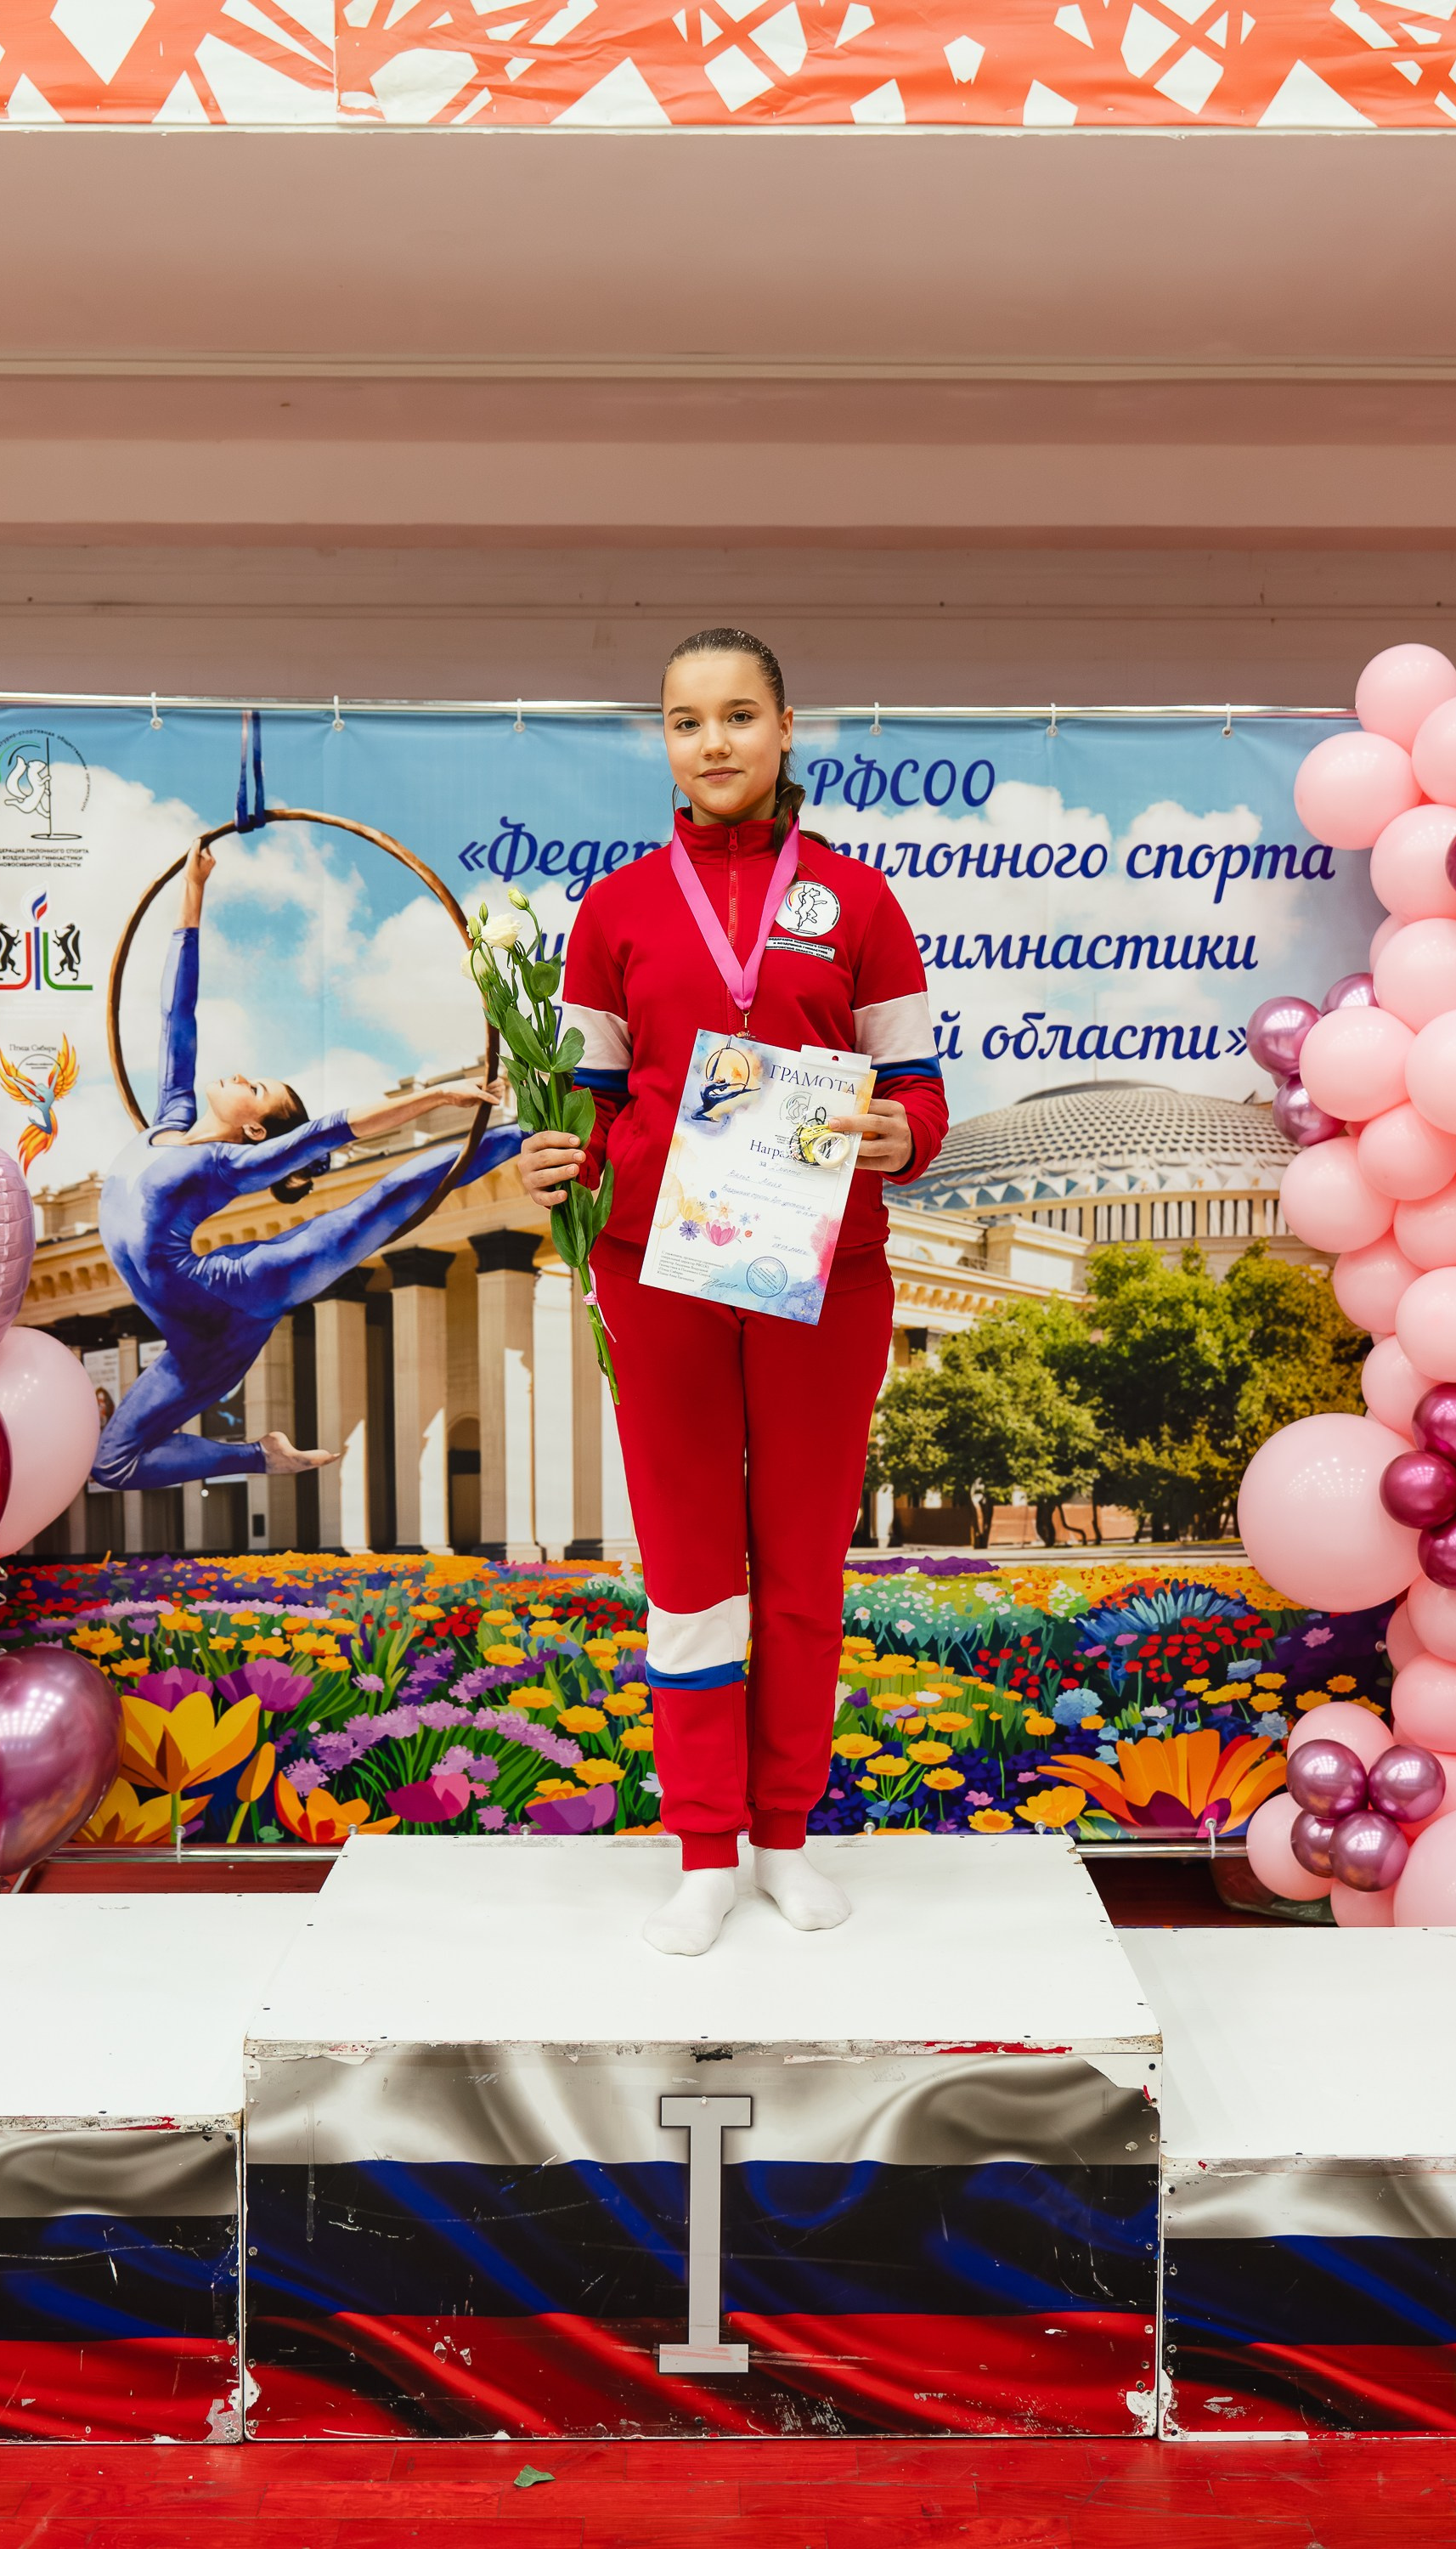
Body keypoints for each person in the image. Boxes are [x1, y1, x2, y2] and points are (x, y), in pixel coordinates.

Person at [519, 629, 947, 1955]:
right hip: (660, 1267)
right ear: (665, 740)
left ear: (785, 727)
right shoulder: (618, 911)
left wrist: (903, 1139)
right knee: (695, 1560)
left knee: (806, 1557)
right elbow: (589, 1099)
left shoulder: (863, 903)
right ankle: (704, 1845)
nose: (712, 742)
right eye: (685, 720)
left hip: (827, 1269)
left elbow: (919, 1088)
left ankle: (782, 1836)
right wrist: (556, 1154)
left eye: (738, 715)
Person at [92, 842, 518, 1494]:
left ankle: (524, 1134)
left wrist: (437, 1096)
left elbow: (332, 1128)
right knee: (110, 1464)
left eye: (256, 1088)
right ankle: (265, 1456)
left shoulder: (228, 1164)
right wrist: (193, 895)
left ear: (255, 1128)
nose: (240, 1075)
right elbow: (176, 1015)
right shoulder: (169, 1117)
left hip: (237, 1291)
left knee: (377, 1207)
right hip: (194, 1342)